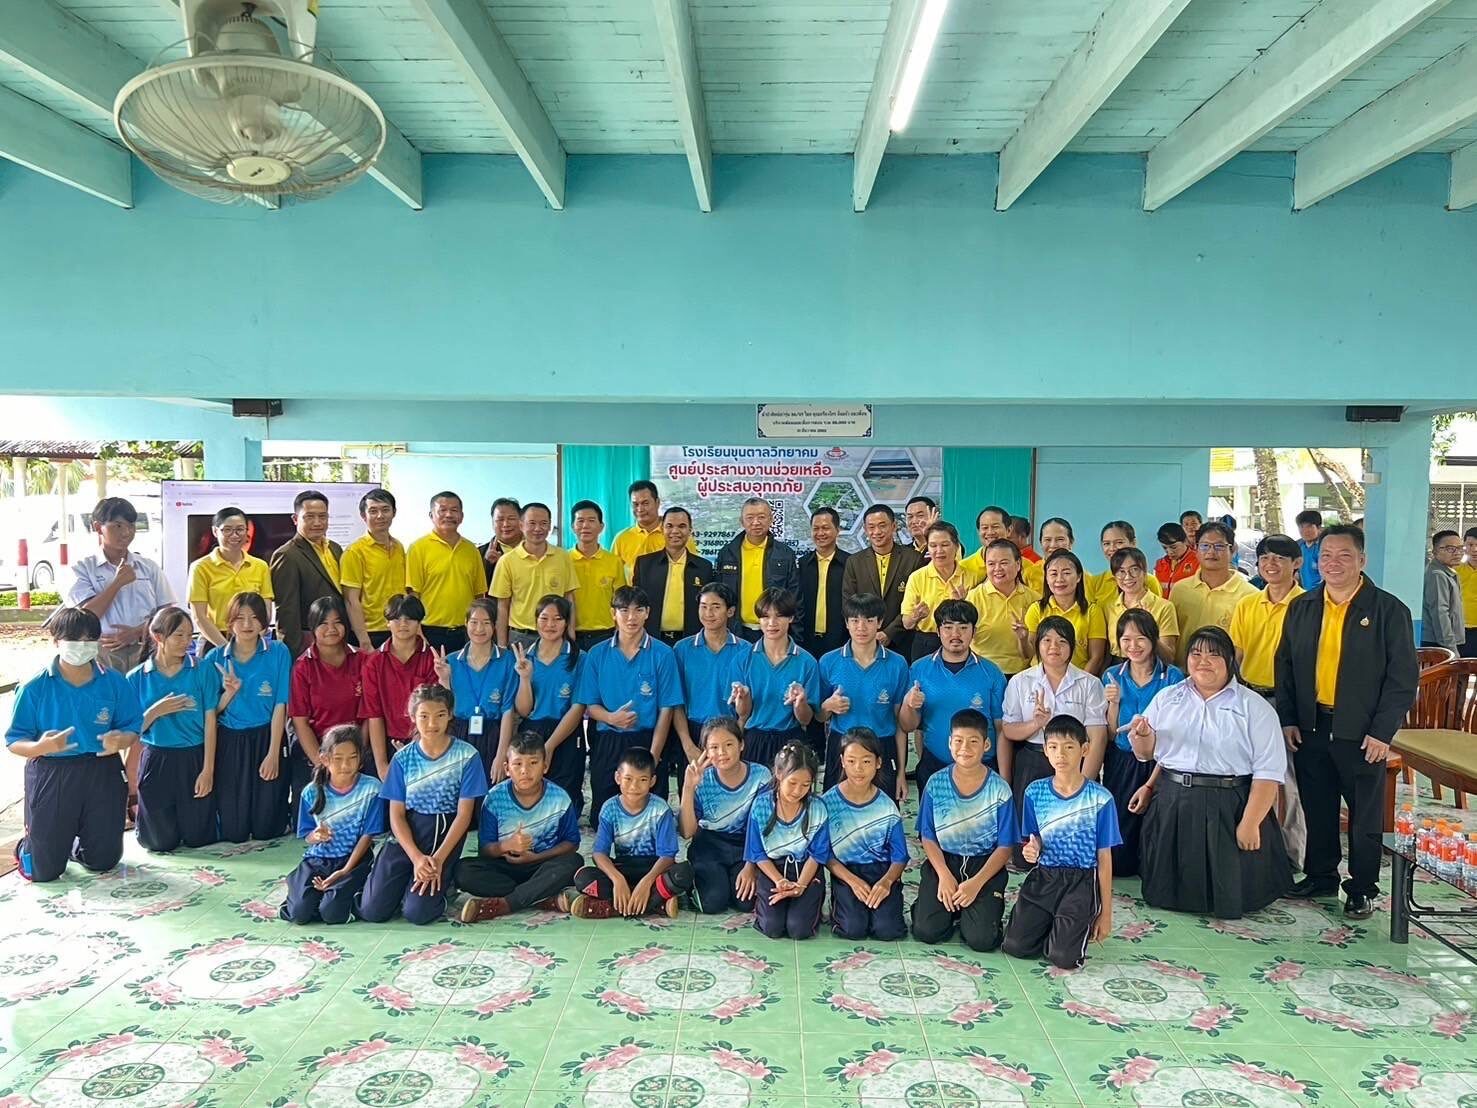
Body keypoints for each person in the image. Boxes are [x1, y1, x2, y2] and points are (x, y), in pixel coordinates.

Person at [1275, 524, 1418, 919]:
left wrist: (1382, 732)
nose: (1333, 563)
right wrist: (1288, 718)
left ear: (1362, 560)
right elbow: (1285, 666)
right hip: (1311, 726)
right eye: (1326, 556)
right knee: (1317, 805)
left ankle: (1362, 887)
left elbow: (1403, 679)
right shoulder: (1303, 606)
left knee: (1364, 814)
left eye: (1344, 555)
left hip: (1362, 731)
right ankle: (1321, 875)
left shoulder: (1388, 610)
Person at [1128, 626, 1292, 918]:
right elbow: (1146, 754)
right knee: (1167, 890)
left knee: (1230, 889)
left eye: (1213, 655)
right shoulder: (1168, 698)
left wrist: (1251, 822)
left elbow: (1268, 773)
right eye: (1196, 653)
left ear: (1229, 660)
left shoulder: (1254, 707)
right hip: (1175, 799)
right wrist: (1142, 737)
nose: (1203, 661)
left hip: (1229, 802)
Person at [7, 608, 141, 882]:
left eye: (89, 639)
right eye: (74, 639)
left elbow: (132, 727)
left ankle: (69, 844)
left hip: (101, 768)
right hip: (51, 771)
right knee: (44, 871)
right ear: (56, 641)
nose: (82, 646)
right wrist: (40, 747)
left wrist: (122, 739)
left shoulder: (114, 682)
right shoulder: (35, 687)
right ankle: (31, 845)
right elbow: (14, 741)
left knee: (103, 861)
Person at [354, 684, 486, 924]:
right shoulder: (402, 758)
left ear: (450, 715)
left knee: (417, 913)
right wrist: (416, 858)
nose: (432, 724)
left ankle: (445, 887)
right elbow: (396, 815)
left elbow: (464, 815)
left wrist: (438, 860)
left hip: (443, 833)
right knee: (372, 911)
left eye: (440, 715)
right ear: (412, 716)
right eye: (424, 716)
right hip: (407, 833)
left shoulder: (467, 756)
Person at [1002, 716, 1119, 969]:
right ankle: (1055, 925)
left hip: (1081, 881)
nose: (1060, 754)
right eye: (1053, 747)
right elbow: (1033, 839)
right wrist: (1032, 849)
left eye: (1069, 747)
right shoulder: (1034, 792)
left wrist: (1106, 913)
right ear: (1045, 750)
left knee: (1064, 958)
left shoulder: (1100, 799)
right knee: (1015, 945)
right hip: (1045, 876)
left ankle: (1068, 928)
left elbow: (1104, 857)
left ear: (1084, 749)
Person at [1227, 533, 1308, 870]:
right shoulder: (1248, 604)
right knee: (1246, 776)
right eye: (1264, 558)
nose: (1270, 565)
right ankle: (1255, 853)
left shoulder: (1308, 605)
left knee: (1286, 782)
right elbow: (1236, 655)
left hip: (1287, 704)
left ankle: (1291, 856)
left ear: (1296, 563)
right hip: (1249, 697)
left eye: (1279, 558)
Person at [912, 709, 1015, 952]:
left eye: (973, 742)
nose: (964, 748)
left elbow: (1005, 846)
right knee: (926, 931)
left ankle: (981, 909)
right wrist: (944, 875)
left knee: (981, 940)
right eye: (958, 741)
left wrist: (976, 883)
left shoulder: (1000, 789)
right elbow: (927, 836)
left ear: (986, 745)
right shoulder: (935, 783)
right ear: (950, 743)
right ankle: (942, 907)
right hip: (945, 861)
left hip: (983, 865)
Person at [575, 586, 683, 816]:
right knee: (603, 815)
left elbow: (667, 709)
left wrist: (653, 755)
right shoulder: (597, 654)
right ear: (613, 614)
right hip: (608, 738)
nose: (631, 617)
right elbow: (589, 704)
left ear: (648, 613)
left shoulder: (663, 653)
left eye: (638, 610)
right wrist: (611, 717)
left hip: (648, 738)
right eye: (624, 610)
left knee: (651, 815)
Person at [1001, 617, 1109, 843]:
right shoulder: (1020, 682)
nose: (1054, 647)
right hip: (1032, 762)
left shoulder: (1089, 683)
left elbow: (1097, 737)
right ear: (1037, 644)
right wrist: (1035, 723)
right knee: (1028, 840)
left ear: (1072, 646)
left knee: (1071, 835)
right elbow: (1009, 730)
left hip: (1075, 763)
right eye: (1047, 640)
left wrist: (1082, 784)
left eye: (1062, 641)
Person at [459, 730, 583, 922]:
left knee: (574, 862)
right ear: (507, 768)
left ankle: (506, 903)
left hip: (542, 865)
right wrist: (506, 845)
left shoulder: (559, 798)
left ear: (545, 766)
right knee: (462, 870)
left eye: (533, 763)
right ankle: (540, 897)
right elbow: (485, 850)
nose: (525, 770)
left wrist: (537, 857)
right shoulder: (494, 799)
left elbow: (572, 843)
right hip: (505, 867)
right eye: (518, 764)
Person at [127, 606, 223, 853]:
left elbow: (210, 721)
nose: (186, 642)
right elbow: (130, 732)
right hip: (157, 758)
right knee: (158, 843)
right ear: (158, 636)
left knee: (198, 838)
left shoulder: (202, 669)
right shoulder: (136, 678)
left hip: (194, 756)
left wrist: (208, 770)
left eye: (190, 635)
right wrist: (155, 711)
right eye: (179, 635)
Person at [202, 592, 291, 842]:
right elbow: (210, 714)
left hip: (267, 735)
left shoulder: (278, 652)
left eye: (254, 617)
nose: (247, 624)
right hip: (230, 739)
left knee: (267, 830)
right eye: (240, 618)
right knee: (235, 832)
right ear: (229, 622)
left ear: (264, 621)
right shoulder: (214, 658)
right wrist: (228, 694)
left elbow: (280, 705)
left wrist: (273, 754)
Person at [1100, 610, 1184, 877]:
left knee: (1158, 824)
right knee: (1121, 850)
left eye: (1140, 639)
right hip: (1123, 760)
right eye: (1126, 639)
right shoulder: (1112, 675)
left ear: (1153, 639)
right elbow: (1111, 734)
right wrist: (1114, 703)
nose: (1133, 646)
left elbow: (1177, 730)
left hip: (1161, 761)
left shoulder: (1173, 677)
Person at [899, 599, 1007, 794]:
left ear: (974, 631)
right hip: (934, 765)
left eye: (963, 628)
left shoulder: (992, 673)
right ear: (938, 631)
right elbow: (908, 726)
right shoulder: (919, 669)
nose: (955, 634)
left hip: (983, 766)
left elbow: (1001, 730)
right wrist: (909, 704)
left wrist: (1005, 779)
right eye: (948, 628)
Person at [280, 725, 385, 925]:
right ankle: (299, 886)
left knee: (331, 913)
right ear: (325, 758)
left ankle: (334, 897)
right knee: (299, 913)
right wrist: (316, 836)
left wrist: (345, 870)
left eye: (352, 757)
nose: (345, 765)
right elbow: (307, 835)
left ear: (361, 759)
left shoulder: (372, 789)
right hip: (317, 861)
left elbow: (368, 836)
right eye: (338, 758)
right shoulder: (310, 792)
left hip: (353, 860)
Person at [568, 746, 688, 919]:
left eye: (642, 779)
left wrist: (646, 882)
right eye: (628, 779)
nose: (634, 786)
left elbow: (667, 856)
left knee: (683, 873)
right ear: (618, 777)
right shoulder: (610, 808)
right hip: (623, 868)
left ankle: (614, 907)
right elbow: (599, 853)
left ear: (652, 781)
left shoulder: (660, 809)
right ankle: (656, 903)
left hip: (654, 869)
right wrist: (617, 879)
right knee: (583, 878)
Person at [813, 728, 907, 941]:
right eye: (851, 761)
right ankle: (839, 903)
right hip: (845, 871)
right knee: (853, 928)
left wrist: (886, 882)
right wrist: (852, 881)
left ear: (878, 763)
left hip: (881, 871)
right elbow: (824, 854)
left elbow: (900, 856)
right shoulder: (827, 803)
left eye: (866, 761)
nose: (858, 768)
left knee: (887, 930)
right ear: (842, 762)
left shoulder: (887, 806)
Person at [817, 593, 910, 800]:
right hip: (842, 745)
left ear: (880, 622)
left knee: (883, 811)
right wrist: (828, 706)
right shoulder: (828, 662)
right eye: (855, 620)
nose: (861, 627)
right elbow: (818, 715)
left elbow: (901, 725)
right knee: (836, 809)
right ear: (846, 623)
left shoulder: (897, 664)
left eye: (869, 620)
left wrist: (901, 773)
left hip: (882, 744)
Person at [68, 496, 173, 674]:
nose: (126, 532)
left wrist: (137, 632)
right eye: (117, 526)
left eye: (131, 526)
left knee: (146, 691)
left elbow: (167, 612)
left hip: (146, 648)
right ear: (97, 527)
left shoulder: (148, 566)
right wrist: (117, 583)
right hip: (102, 652)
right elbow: (85, 617)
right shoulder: (82, 568)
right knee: (108, 691)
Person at [679, 717, 770, 913]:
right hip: (709, 845)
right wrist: (688, 787)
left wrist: (751, 866)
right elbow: (687, 832)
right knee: (713, 903)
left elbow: (764, 828)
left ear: (741, 744)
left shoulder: (761, 776)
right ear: (705, 751)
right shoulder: (702, 780)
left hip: (746, 845)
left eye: (729, 744)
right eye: (714, 747)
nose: (721, 752)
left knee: (746, 903)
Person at [287, 596, 366, 822]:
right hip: (317, 750)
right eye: (323, 623)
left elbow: (370, 715)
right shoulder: (303, 667)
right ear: (312, 627)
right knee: (307, 819)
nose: (331, 629)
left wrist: (357, 756)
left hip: (356, 748)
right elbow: (300, 722)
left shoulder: (362, 660)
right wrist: (323, 763)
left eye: (337, 622)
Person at [504, 595, 586, 812]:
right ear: (535, 621)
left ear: (566, 622)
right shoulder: (524, 658)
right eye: (544, 618)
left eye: (557, 619)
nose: (550, 625)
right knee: (531, 796)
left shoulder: (579, 658)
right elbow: (523, 710)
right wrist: (524, 678)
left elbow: (578, 707)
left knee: (566, 800)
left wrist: (549, 746)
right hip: (532, 733)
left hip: (566, 731)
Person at [745, 741, 828, 940]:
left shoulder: (817, 808)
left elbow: (818, 854)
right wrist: (780, 881)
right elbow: (757, 853)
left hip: (806, 870)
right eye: (792, 783)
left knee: (798, 929)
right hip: (773, 869)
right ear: (779, 773)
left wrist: (800, 886)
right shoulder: (761, 806)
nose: (798, 791)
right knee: (772, 927)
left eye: (805, 785)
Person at [731, 588, 820, 772]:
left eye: (779, 616)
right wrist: (743, 698)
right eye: (765, 616)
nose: (771, 623)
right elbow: (742, 714)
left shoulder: (807, 662)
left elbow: (806, 719)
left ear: (791, 618)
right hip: (754, 738)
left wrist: (800, 702)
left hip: (791, 740)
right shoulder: (743, 659)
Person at [432, 598, 518, 776]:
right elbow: (446, 709)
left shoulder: (507, 660)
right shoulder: (451, 661)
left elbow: (508, 710)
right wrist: (444, 680)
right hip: (459, 733)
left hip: (494, 733)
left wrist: (501, 754)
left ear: (494, 625)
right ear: (466, 623)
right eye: (474, 622)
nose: (479, 629)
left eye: (486, 623)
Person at [671, 583, 750, 777]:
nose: (708, 613)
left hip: (731, 730)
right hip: (694, 731)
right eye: (703, 606)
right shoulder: (682, 649)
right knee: (692, 790)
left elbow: (748, 704)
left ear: (730, 611)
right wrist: (688, 745)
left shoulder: (746, 651)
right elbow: (675, 703)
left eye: (716, 607)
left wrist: (736, 738)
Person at [361, 594, 439, 779]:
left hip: (426, 741)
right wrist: (382, 765)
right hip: (386, 743)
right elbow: (374, 715)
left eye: (409, 618)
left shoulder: (431, 658)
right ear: (387, 622)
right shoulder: (374, 662)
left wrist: (415, 750)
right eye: (396, 618)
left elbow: (433, 710)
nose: (403, 624)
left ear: (419, 622)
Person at [489, 501, 577, 653]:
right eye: (532, 523)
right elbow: (502, 606)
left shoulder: (563, 557)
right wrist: (502, 645)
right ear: (521, 525)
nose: (538, 528)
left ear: (549, 526)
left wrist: (571, 634)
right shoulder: (507, 561)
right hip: (521, 637)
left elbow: (569, 598)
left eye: (543, 523)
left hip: (556, 634)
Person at [405, 491, 485, 653]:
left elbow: (479, 595)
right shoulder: (418, 548)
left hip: (467, 632)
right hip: (430, 631)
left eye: (454, 510)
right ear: (431, 515)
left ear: (461, 516)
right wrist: (417, 631)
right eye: (442, 510)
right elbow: (413, 595)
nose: (448, 515)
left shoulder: (471, 549)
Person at [1169, 521, 1256, 666]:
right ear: (1196, 549)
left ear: (1232, 550)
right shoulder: (1180, 589)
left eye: (1219, 546)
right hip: (1182, 673)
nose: (1211, 552)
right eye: (1205, 546)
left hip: (1226, 675)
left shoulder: (1249, 595)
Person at [715, 498, 803, 640]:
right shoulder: (727, 553)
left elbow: (795, 599)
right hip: (736, 632)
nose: (755, 522)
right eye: (750, 518)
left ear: (771, 519)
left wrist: (796, 637)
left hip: (773, 632)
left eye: (761, 517)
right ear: (741, 521)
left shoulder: (785, 554)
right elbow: (718, 596)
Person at [269, 490, 343, 658]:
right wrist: (293, 656)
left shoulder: (335, 548)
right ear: (295, 519)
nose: (317, 523)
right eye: (309, 517)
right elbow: (287, 612)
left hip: (338, 637)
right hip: (309, 641)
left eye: (322, 516)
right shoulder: (286, 555)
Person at [842, 504, 925, 654]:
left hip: (904, 640)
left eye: (882, 526)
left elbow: (916, 603)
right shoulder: (854, 562)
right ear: (865, 529)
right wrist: (868, 631)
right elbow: (849, 603)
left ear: (894, 526)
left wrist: (889, 633)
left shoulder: (913, 559)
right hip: (866, 641)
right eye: (871, 527)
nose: (877, 532)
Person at [187, 507, 274, 648]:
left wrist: (252, 640)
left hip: (252, 639)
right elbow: (199, 616)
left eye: (240, 529)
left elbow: (266, 611)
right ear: (215, 531)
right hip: (214, 640)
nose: (234, 535)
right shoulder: (200, 567)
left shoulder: (260, 566)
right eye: (227, 530)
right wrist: (226, 647)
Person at [633, 506, 714, 644]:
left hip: (691, 642)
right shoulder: (644, 564)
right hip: (652, 641)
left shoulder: (704, 567)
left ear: (690, 530)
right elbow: (636, 604)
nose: (675, 531)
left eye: (682, 526)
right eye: (669, 526)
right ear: (662, 529)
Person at [901, 521, 981, 660]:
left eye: (945, 545)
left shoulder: (971, 576)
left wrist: (963, 605)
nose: (939, 551)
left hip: (960, 640)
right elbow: (907, 623)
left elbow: (979, 618)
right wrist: (916, 616)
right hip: (926, 643)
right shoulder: (917, 577)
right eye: (933, 545)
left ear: (956, 546)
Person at [341, 490, 406, 651]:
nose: (380, 516)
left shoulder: (399, 547)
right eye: (373, 511)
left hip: (398, 627)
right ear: (363, 516)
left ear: (394, 512)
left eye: (385, 509)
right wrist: (364, 641)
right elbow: (351, 600)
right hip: (371, 633)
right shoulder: (354, 552)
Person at [1024, 550, 1107, 674]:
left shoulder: (1092, 611)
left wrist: (1081, 681)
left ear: (1079, 577)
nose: (1059, 579)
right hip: (1041, 678)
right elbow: (1029, 653)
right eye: (1053, 574)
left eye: (1066, 573)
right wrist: (1022, 639)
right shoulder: (1036, 609)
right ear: (1046, 578)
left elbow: (1096, 657)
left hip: (1079, 678)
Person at [964, 539, 1036, 680]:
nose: (997, 569)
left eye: (1004, 563)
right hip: (982, 673)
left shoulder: (1033, 599)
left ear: (1018, 565)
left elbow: (1032, 653)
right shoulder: (973, 597)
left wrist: (1023, 639)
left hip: (1021, 675)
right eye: (991, 564)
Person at [1103, 547, 1179, 664]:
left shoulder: (1164, 607)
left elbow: (1169, 657)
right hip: (1117, 667)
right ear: (1114, 577)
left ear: (1144, 572)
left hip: (1152, 666)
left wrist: (1148, 631)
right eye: (1121, 572)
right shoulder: (1109, 607)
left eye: (1134, 570)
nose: (1128, 577)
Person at [568, 499, 622, 652]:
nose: (585, 526)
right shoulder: (564, 560)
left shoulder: (614, 561)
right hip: (571, 635)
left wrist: (620, 634)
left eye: (591, 520)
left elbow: (620, 602)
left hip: (605, 635)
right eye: (580, 521)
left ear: (601, 527)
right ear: (572, 527)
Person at [613, 480, 695, 580]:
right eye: (635, 504)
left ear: (657, 502)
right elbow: (613, 574)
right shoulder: (622, 538)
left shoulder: (678, 536)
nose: (640, 509)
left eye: (645, 503)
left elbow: (693, 570)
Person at [798, 507, 850, 659]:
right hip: (806, 641)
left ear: (837, 530)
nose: (820, 533)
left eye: (826, 528)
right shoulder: (802, 564)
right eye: (816, 529)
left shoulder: (850, 564)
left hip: (841, 641)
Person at [1088, 523, 1163, 610]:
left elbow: (1157, 610)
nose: (1112, 548)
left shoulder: (1149, 581)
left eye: (1119, 542)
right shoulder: (1095, 582)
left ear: (1133, 543)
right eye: (1106, 543)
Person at [1423, 530, 1465, 653]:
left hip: (1444, 642)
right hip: (1438, 643)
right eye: (1450, 549)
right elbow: (1440, 613)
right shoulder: (1437, 575)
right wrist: (1450, 649)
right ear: (1435, 551)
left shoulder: (1448, 573)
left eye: (1460, 548)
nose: (1457, 553)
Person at [479, 497, 523, 587]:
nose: (506, 524)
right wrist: (486, 564)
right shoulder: (479, 554)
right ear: (492, 523)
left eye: (511, 518)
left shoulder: (538, 549)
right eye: (500, 519)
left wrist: (504, 564)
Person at [959, 506, 1011, 580]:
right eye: (985, 528)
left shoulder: (1025, 567)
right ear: (978, 532)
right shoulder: (963, 567)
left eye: (995, 527)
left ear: (1009, 530)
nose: (990, 532)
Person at [1154, 522, 1199, 595]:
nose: (1169, 552)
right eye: (1164, 548)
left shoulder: (1198, 561)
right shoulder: (1160, 564)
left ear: (1185, 541)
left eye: (1173, 547)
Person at [1457, 527, 1477, 658]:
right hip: (1460, 630)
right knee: (1461, 666)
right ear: (1464, 546)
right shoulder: (1455, 570)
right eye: (1470, 545)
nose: (1475, 549)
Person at [1295, 510, 1324, 591]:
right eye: (1301, 527)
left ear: (1318, 527)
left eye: (1309, 526)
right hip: (1305, 592)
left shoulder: (1325, 546)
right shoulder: (1298, 546)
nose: (1305, 530)